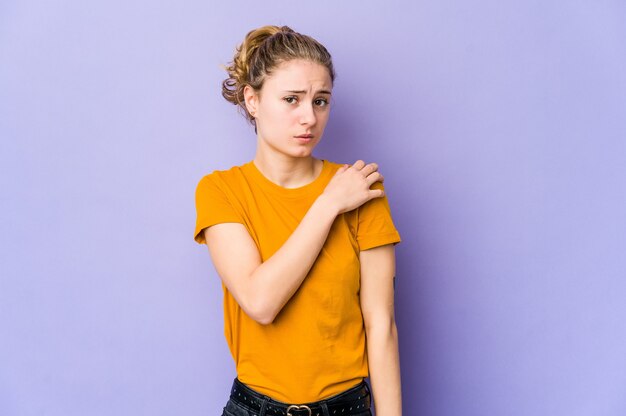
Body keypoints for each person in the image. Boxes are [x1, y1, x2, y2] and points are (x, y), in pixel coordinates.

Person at [194, 24, 402, 416]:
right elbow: (261, 301)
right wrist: (328, 206)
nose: (309, 117)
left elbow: (382, 325)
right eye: (292, 99)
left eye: (320, 101)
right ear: (252, 101)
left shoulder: (362, 189)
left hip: (347, 408)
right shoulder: (221, 190)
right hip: (255, 408)